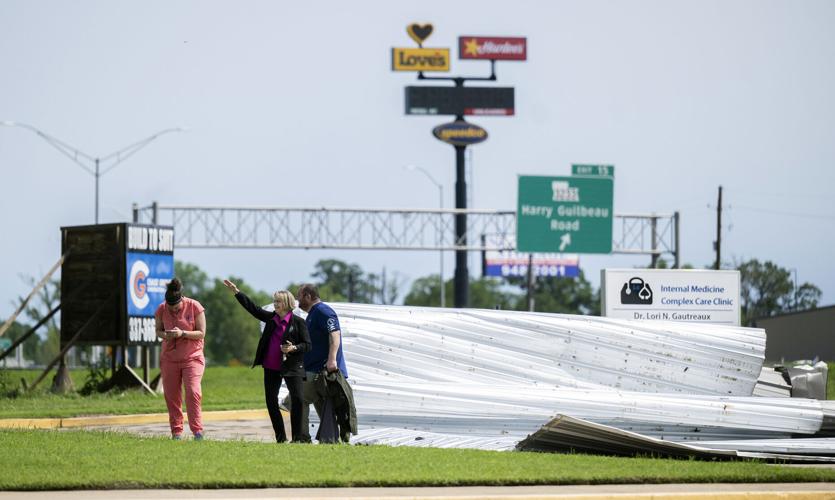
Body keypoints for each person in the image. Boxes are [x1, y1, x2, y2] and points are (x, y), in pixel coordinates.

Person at [223, 279, 312, 443]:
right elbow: (253, 309)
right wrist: (237, 292)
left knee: (298, 400)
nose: (275, 304)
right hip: (271, 367)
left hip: (292, 367)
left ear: (286, 303)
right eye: (274, 301)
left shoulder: (299, 323)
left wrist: (294, 348)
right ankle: (281, 438)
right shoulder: (271, 319)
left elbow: (307, 345)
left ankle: (297, 439)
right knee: (271, 402)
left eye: (278, 301)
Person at [296, 283, 352, 442]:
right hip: (315, 370)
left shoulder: (323, 311)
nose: (298, 301)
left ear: (308, 296)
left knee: (299, 399)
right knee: (325, 407)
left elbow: (335, 334)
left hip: (321, 371)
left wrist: (332, 359)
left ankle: (302, 438)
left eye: (299, 296)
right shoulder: (313, 313)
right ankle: (331, 440)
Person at [155, 277, 207, 440]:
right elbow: (158, 330)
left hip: (192, 357)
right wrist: (166, 335)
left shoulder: (195, 306)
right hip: (169, 358)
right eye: (170, 307)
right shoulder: (162, 309)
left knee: (193, 392)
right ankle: (176, 432)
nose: (173, 310)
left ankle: (197, 431)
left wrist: (182, 333)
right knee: (172, 395)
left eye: (176, 307)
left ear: (182, 300)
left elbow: (201, 333)